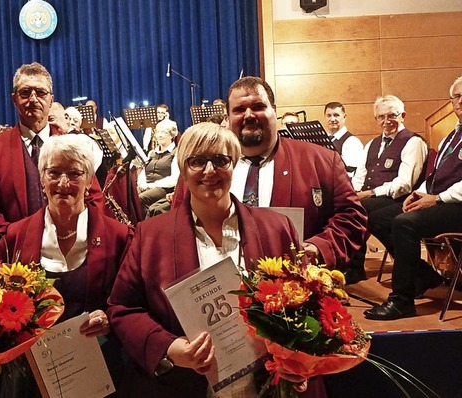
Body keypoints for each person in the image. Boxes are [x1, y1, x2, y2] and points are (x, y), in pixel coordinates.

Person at [108, 122, 316, 397]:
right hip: (185, 386)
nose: (209, 171)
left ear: (235, 164)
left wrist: (299, 363)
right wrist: (169, 348)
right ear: (183, 169)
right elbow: (123, 308)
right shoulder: (150, 235)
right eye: (197, 161)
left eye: (220, 160)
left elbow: (306, 305)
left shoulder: (277, 227)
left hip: (265, 386)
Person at [174, 77, 367, 269]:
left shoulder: (322, 160)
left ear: (274, 111)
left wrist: (319, 247)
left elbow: (352, 217)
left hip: (293, 286)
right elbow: (177, 222)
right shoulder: (199, 168)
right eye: (239, 110)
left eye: (258, 106)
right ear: (228, 118)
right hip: (218, 288)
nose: (249, 115)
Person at [5, 134, 133, 396]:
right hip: (36, 375)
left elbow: (130, 302)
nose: (63, 183)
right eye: (54, 172)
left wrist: (109, 317)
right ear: (42, 179)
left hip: (101, 369)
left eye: (75, 174)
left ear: (88, 182)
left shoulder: (119, 236)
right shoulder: (15, 235)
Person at [0, 62, 104, 260]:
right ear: (14, 99)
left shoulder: (74, 144)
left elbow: (94, 198)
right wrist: (14, 241)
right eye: (25, 93)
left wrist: (79, 238)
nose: (33, 99)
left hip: (74, 252)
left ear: (51, 99)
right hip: (18, 258)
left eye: (41, 93)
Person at [363, 77, 462, 320]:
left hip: (457, 204)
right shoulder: (451, 136)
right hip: (443, 200)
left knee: (403, 223)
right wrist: (422, 193)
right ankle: (424, 276)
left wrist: (437, 198)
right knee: (377, 218)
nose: (461, 101)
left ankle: (402, 300)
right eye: (457, 96)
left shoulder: (413, 140)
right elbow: (436, 174)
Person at [344, 95, 427, 284]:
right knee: (347, 206)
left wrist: (371, 193)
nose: (386, 121)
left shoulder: (413, 142)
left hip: (402, 199)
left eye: (392, 115)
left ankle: (419, 272)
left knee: (361, 211)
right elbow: (360, 177)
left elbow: (405, 183)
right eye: (381, 117)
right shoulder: (372, 144)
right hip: (375, 198)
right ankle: (353, 267)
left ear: (402, 115)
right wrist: (352, 193)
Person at [137, 119, 179, 217]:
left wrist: (152, 185)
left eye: (164, 132)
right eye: (158, 132)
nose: (160, 135)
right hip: (149, 185)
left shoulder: (175, 152)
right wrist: (142, 183)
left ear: (171, 135)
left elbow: (174, 178)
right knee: (128, 196)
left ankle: (145, 226)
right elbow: (144, 171)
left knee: (141, 198)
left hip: (164, 188)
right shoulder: (152, 153)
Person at [323, 102, 365, 186]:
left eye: (336, 115)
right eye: (329, 115)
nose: (332, 119)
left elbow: (349, 173)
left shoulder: (352, 142)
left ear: (344, 117)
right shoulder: (323, 139)